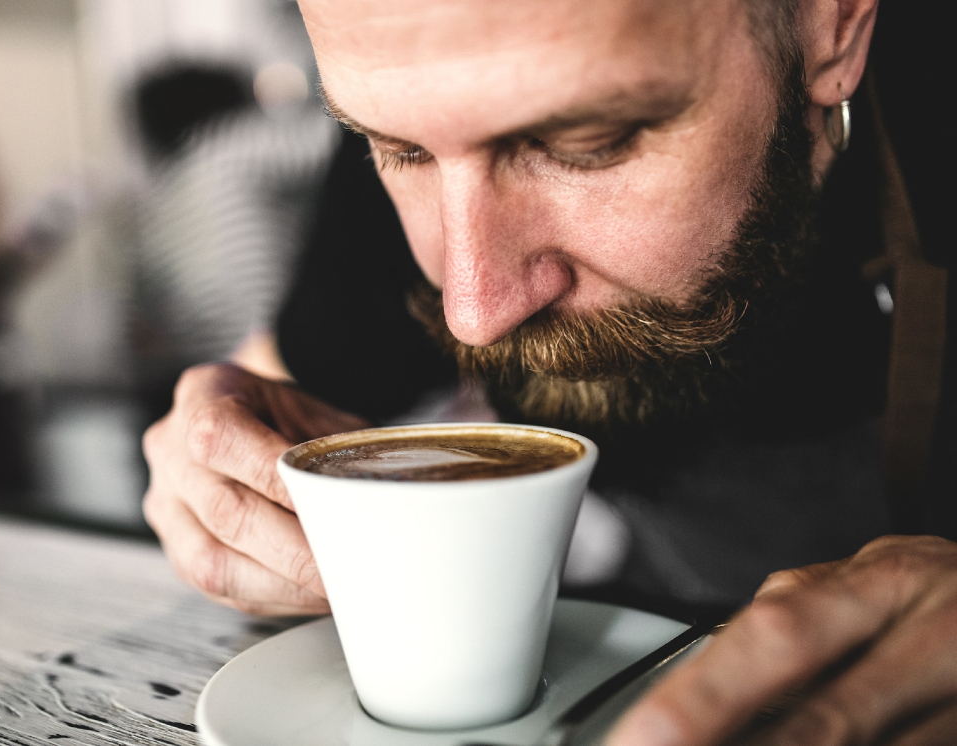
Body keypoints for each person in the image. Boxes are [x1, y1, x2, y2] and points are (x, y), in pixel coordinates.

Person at [142, 0, 957, 743]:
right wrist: (216, 473)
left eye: (582, 145)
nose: (474, 308)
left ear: (835, 26)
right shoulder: (433, 89)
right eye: (399, 151)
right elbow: (267, 399)